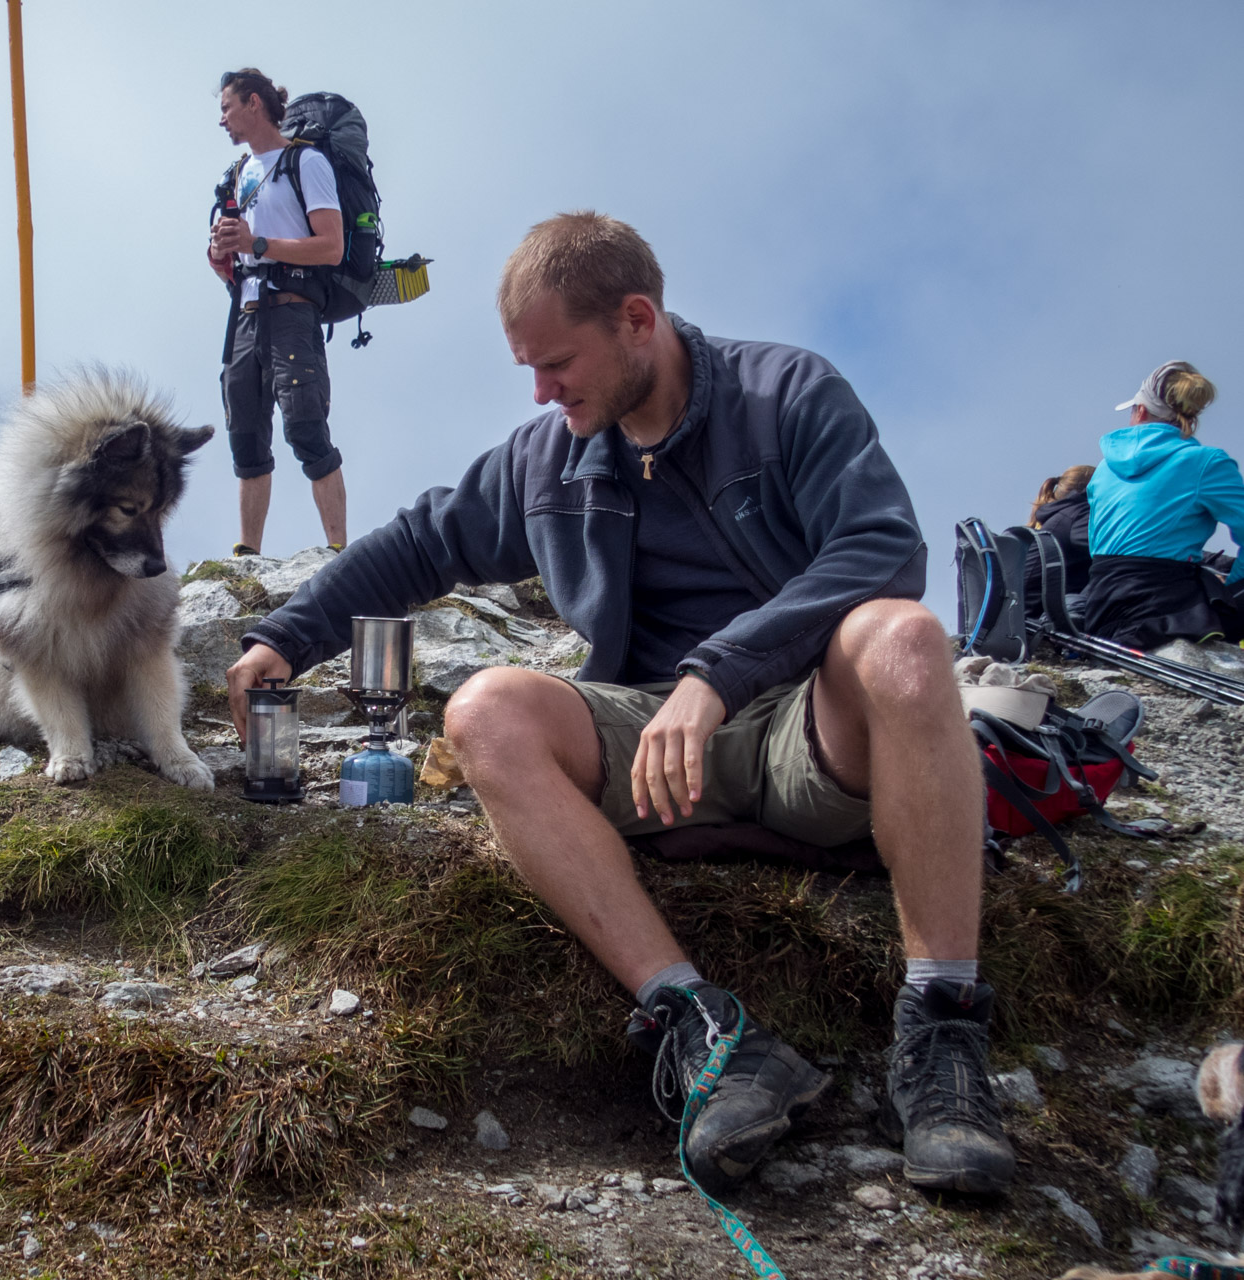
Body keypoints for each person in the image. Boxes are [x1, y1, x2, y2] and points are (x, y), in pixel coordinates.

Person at [227, 212, 1015, 1196]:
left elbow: (881, 549)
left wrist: (714, 675)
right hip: (648, 744)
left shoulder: (789, 392)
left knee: (901, 635)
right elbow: (417, 545)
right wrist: (283, 637)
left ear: (637, 318)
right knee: (484, 711)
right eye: (527, 368)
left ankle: (940, 1036)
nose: (541, 391)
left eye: (557, 362)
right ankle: (701, 1024)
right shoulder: (548, 455)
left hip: (805, 728)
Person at [208, 68, 347, 558]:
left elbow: (331, 247)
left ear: (252, 103)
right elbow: (228, 262)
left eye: (225, 108)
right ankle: (248, 557)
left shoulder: (304, 162)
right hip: (245, 315)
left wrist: (257, 243)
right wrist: (222, 252)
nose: (220, 119)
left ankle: (337, 551)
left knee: (306, 428)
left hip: (292, 311)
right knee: (244, 437)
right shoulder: (232, 176)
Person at [1080, 362, 1241, 650]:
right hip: (1165, 610)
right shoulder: (1206, 463)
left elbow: (1099, 546)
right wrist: (1230, 587)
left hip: (1102, 609)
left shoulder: (1103, 469)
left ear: (1140, 411)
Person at [1027, 464, 1094, 593]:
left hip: (1032, 608)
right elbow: (1107, 549)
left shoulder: (1060, 517)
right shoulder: (1078, 514)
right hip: (1054, 609)